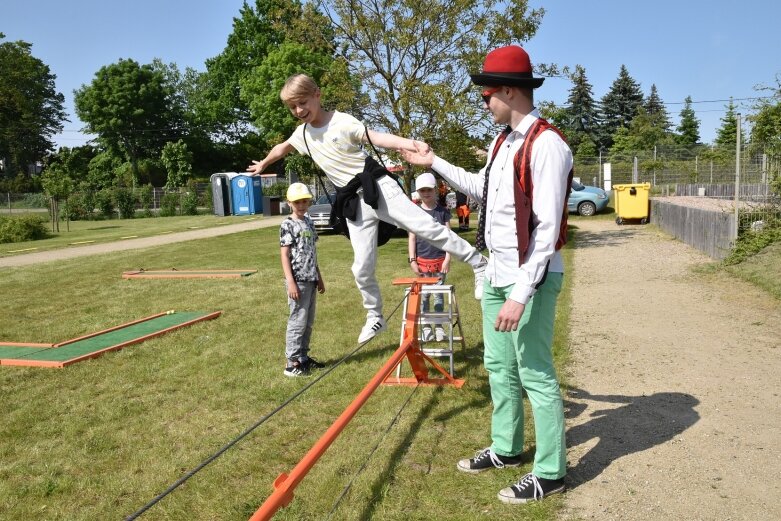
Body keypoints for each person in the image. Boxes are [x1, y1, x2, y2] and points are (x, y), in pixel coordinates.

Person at [400, 45, 573, 504]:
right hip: (497, 274)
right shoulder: (502, 141)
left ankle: (552, 472)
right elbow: (482, 189)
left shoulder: (548, 145)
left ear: (511, 92)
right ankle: (507, 448)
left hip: (529, 280)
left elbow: (548, 229)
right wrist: (432, 162)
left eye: (487, 95)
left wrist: (521, 292)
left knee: (535, 371)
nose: (483, 103)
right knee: (499, 367)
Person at [247, 73, 487, 344]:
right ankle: (375, 316)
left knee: (427, 228)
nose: (299, 111)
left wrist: (411, 144)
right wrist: (264, 164)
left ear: (317, 94)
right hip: (354, 202)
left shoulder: (342, 122)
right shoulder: (302, 134)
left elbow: (377, 137)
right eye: (292, 107)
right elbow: (282, 147)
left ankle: (478, 263)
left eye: (302, 102)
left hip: (378, 188)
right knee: (360, 266)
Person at [279, 183, 326, 377]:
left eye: (305, 201)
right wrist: (290, 281)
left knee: (308, 321)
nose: (301, 205)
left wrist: (319, 277)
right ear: (289, 203)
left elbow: (312, 252)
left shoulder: (309, 222)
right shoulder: (287, 224)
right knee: (297, 321)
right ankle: (292, 363)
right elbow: (284, 255)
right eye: (297, 202)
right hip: (297, 280)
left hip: (311, 278)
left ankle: (304, 358)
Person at [408, 172, 451, 342]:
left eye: (429, 190)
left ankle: (439, 327)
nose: (426, 193)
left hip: (440, 261)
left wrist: (448, 258)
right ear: (418, 192)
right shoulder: (414, 213)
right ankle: (426, 327)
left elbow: (449, 238)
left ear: (435, 191)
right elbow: (411, 237)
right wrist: (412, 260)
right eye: (422, 191)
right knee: (424, 295)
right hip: (422, 262)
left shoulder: (443, 212)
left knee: (438, 295)